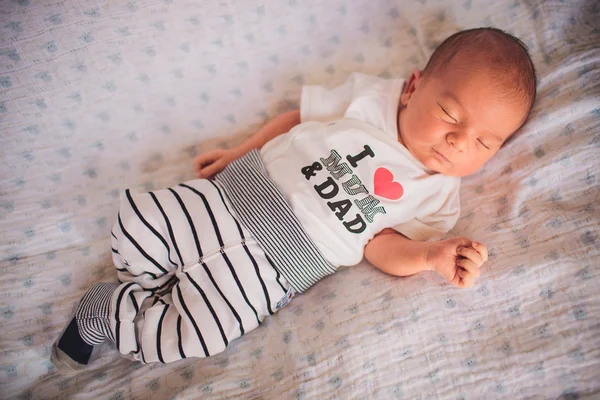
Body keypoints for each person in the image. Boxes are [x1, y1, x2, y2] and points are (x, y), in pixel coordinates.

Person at [51, 27, 537, 374]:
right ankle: (146, 281)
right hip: (228, 197)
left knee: (198, 332)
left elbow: (380, 245)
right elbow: (297, 119)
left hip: (272, 271)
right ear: (413, 87)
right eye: (450, 113)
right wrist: (239, 150)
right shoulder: (371, 101)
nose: (458, 141)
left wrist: (431, 256)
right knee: (139, 221)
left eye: (484, 143)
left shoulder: (436, 198)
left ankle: (107, 314)